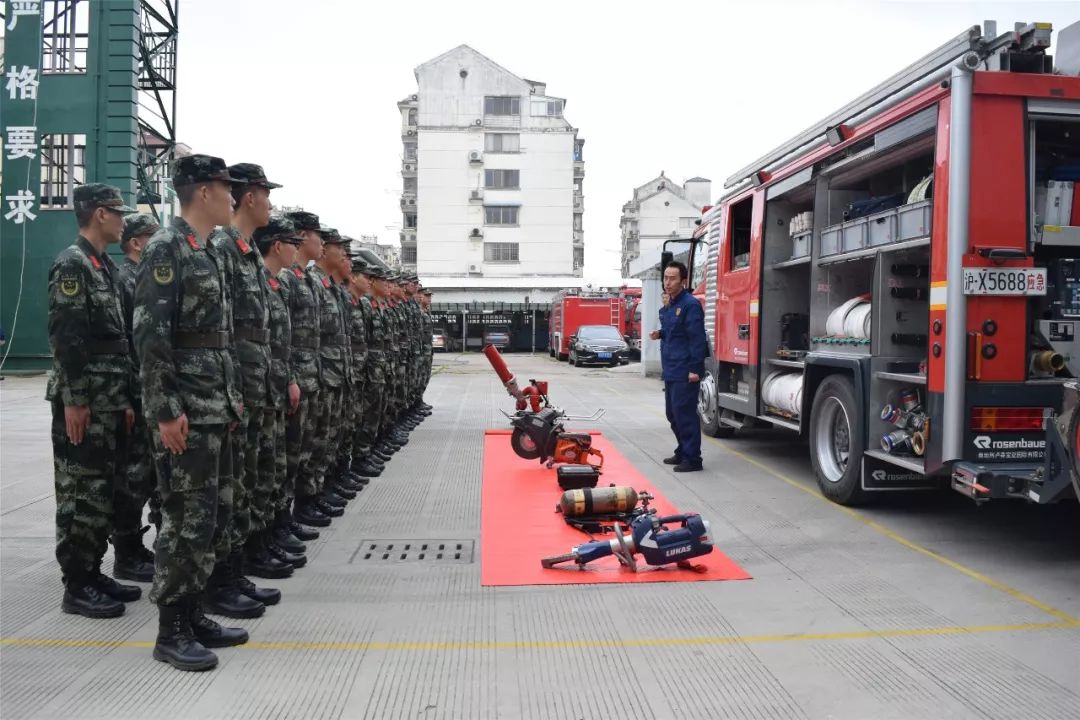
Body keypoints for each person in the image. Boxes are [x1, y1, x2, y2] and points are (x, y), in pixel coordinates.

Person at [134, 154, 248, 671]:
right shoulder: (167, 248)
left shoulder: (207, 250)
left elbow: (218, 339)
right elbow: (151, 335)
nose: (232, 197)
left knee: (213, 516)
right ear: (202, 192)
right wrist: (165, 409)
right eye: (226, 188)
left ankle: (194, 610)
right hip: (185, 412)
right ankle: (170, 628)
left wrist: (229, 401)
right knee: (184, 519)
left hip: (213, 406)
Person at [46, 183, 140, 619]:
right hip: (85, 400)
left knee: (104, 489)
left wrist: (122, 397)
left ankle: (94, 569)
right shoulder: (73, 264)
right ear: (100, 214)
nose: (124, 220)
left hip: (109, 396)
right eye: (118, 213)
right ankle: (77, 584)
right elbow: (68, 338)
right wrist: (75, 399)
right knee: (81, 490)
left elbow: (117, 341)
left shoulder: (102, 265)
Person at [208, 162, 290, 609]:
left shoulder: (246, 252)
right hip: (233, 389)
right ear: (248, 197)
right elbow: (219, 327)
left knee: (250, 480)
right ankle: (222, 579)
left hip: (255, 387)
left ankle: (237, 568)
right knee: (231, 487)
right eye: (265, 193)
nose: (270, 202)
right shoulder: (222, 248)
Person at [253, 217, 308, 574]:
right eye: (293, 242)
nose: (298, 247)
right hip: (254, 389)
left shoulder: (273, 281)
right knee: (257, 474)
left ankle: (270, 533)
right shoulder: (260, 277)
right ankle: (253, 549)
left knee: (273, 467)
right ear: (276, 246)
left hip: (272, 386)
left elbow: (280, 342)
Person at [112, 212, 160, 583]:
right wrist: (129, 397)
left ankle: (145, 544)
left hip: (149, 390)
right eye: (151, 237)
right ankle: (126, 551)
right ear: (136, 243)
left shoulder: (141, 277)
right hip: (136, 390)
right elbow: (127, 344)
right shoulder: (124, 279)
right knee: (134, 476)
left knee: (152, 476)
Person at [650, 261, 708, 472]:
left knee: (684, 414)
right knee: (672, 414)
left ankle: (693, 459)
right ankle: (683, 450)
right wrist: (660, 334)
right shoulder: (670, 305)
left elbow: (697, 339)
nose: (667, 282)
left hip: (685, 369)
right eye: (665, 277)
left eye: (672, 278)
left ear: (683, 281)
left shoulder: (690, 304)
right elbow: (675, 332)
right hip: (671, 369)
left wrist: (695, 368)